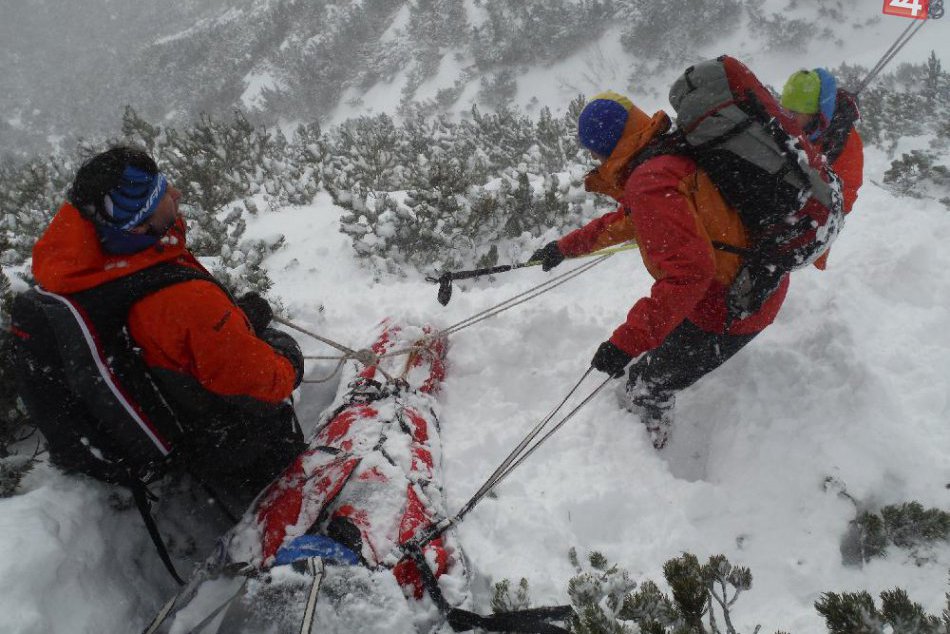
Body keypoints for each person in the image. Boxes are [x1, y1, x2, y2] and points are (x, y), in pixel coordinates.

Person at [16, 146, 307, 514]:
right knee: (273, 410)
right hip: (222, 440)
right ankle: (280, 495)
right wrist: (287, 356)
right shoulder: (183, 300)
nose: (177, 194)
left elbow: (166, 334)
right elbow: (267, 383)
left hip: (170, 410)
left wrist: (232, 322)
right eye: (161, 193)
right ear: (138, 224)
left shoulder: (89, 266)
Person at [531, 92, 791, 449]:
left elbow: (689, 275)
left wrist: (624, 343)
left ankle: (644, 460)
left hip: (730, 306)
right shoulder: (666, 155)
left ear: (604, 147)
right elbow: (626, 222)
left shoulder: (650, 181)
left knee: (646, 383)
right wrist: (564, 248)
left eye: (592, 151)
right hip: (752, 277)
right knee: (654, 357)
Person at [780, 68, 864, 269]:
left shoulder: (844, 142)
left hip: (811, 222)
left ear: (814, 113)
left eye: (794, 113)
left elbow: (844, 195)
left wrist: (809, 222)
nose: (787, 118)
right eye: (784, 110)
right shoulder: (790, 127)